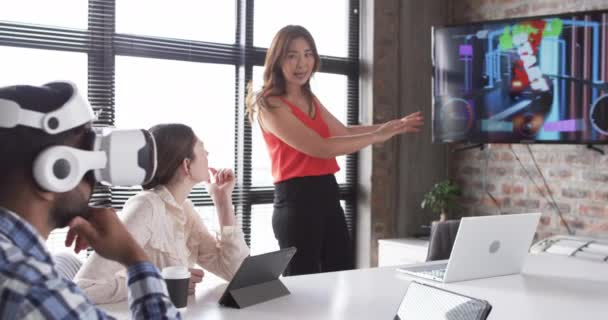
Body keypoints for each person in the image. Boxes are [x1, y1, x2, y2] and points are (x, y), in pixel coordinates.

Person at [245, 25, 424, 276]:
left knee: (342, 275)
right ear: (277, 59)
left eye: (308, 54)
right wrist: (376, 136)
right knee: (305, 288)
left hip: (328, 194)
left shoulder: (310, 98)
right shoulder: (268, 103)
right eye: (292, 55)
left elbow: (341, 133)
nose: (301, 63)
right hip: (297, 202)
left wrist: (388, 128)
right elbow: (321, 147)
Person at [0, 82, 180, 319]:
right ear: (57, 170)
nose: (95, 182)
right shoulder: (27, 290)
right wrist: (134, 257)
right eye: (87, 147)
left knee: (64, 259)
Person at [75, 123, 250, 304]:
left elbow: (236, 272)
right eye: (202, 149)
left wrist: (222, 201)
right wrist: (157, 283)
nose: (207, 155)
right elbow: (83, 288)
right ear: (187, 165)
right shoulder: (146, 207)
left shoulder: (184, 209)